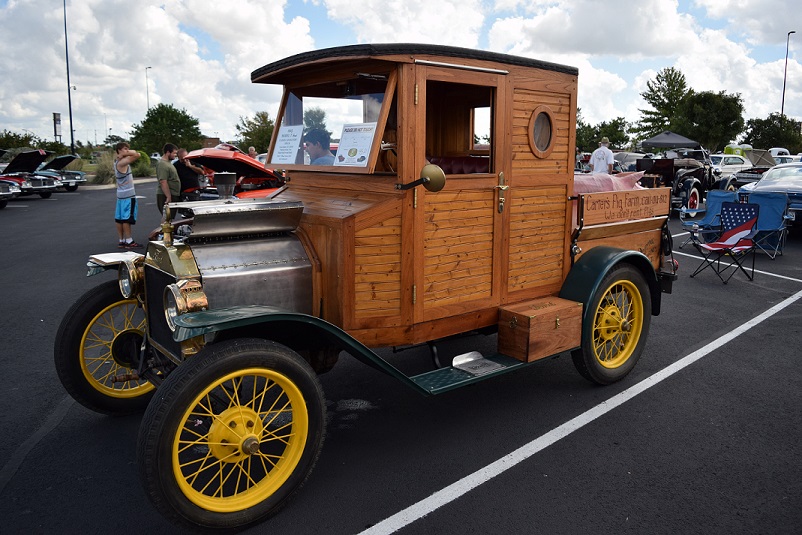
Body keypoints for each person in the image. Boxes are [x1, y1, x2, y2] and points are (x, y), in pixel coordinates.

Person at [113, 142, 142, 248]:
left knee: (119, 218)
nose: (127, 151)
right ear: (119, 150)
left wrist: (122, 154)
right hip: (128, 195)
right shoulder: (122, 163)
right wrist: (126, 153)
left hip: (120, 195)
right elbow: (137, 154)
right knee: (126, 219)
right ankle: (129, 240)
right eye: (125, 149)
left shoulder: (117, 162)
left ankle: (121, 240)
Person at [155, 143, 180, 213]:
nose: (175, 155)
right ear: (168, 152)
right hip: (165, 195)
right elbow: (163, 181)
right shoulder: (162, 164)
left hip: (172, 194)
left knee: (169, 218)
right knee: (166, 217)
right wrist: (168, 196)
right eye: (174, 153)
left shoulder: (168, 163)